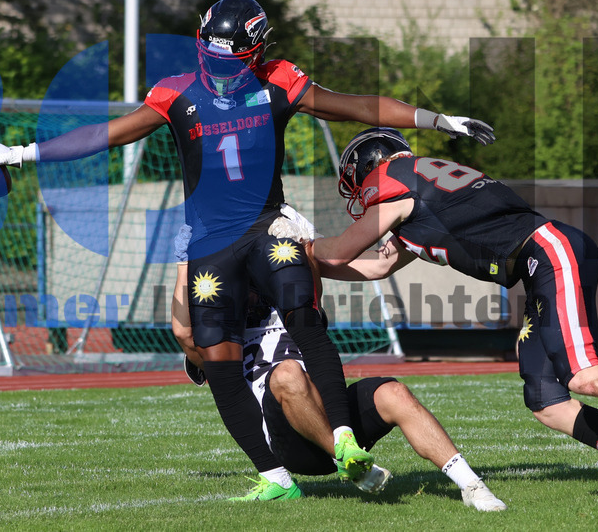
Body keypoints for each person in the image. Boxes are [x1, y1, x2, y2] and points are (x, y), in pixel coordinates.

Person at [0, 0, 495, 499]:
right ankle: (276, 473)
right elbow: (108, 135)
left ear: (256, 51)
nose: (221, 70)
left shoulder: (279, 82)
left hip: (267, 229)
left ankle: (342, 439)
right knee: (211, 353)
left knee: (304, 320)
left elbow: (355, 106)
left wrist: (436, 119)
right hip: (209, 243)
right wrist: (20, 153)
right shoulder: (177, 93)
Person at [306, 127, 598, 504]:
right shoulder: (416, 194)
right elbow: (376, 266)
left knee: (582, 375)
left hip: (548, 252)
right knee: (546, 400)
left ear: (370, 167)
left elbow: (343, 248)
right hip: (538, 265)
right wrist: (306, 266)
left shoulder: (393, 183)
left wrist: (297, 250)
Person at [172, 216, 507, 510]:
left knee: (395, 392)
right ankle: (347, 460)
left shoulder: (291, 305)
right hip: (287, 439)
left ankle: (473, 487)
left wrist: (302, 246)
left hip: (331, 416)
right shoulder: (218, 333)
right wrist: (185, 265)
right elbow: (185, 334)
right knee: (287, 374)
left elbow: (310, 291)